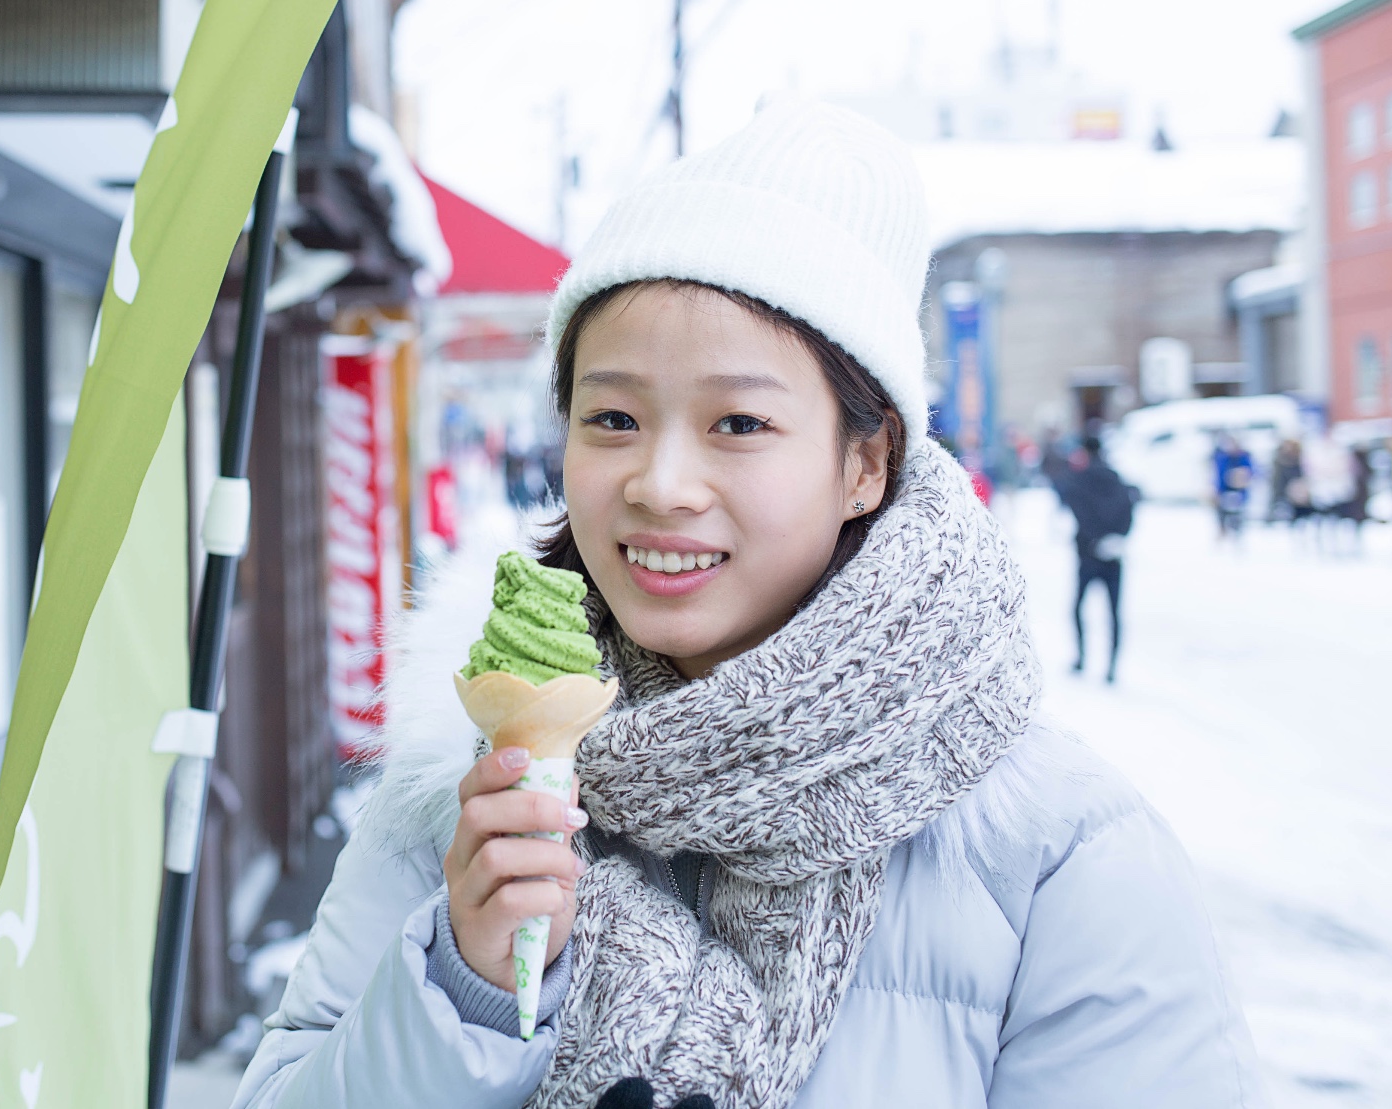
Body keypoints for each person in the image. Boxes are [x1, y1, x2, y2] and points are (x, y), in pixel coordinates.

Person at [234, 103, 1258, 1109]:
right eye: (613, 417)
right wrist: (459, 990)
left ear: (865, 463)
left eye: (736, 421)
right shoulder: (460, 791)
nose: (659, 482)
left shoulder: (1058, 854)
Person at [1055, 435, 1135, 682]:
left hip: (1088, 553)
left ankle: (1081, 658)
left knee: (1078, 607)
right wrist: (1117, 537)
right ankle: (1111, 667)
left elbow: (1078, 509)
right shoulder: (1117, 478)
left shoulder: (1081, 479)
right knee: (1113, 612)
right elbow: (1129, 509)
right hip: (1114, 554)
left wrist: (1094, 539)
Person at [1210, 432, 1253, 540]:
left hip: (1240, 492)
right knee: (1222, 514)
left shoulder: (1245, 458)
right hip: (1224, 491)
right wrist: (1217, 491)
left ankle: (1237, 535)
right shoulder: (1222, 459)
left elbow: (1251, 473)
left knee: (1238, 516)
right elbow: (1218, 477)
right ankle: (1222, 532)